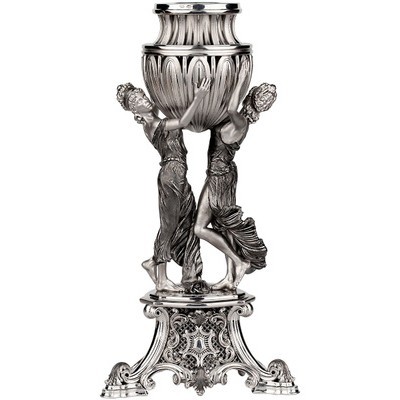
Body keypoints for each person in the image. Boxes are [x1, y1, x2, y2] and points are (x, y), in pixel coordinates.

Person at [117, 78, 211, 291]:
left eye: (141, 95)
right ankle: (160, 276)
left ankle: (189, 273)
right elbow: (183, 122)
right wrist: (198, 97)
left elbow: (163, 102)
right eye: (136, 100)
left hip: (179, 175)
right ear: (135, 111)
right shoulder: (152, 125)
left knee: (189, 219)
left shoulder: (159, 117)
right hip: (171, 176)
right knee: (168, 225)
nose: (143, 99)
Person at [194, 60, 277, 290]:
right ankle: (229, 277)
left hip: (220, 178)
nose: (263, 102)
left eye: (266, 102)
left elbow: (231, 108)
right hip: (218, 175)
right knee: (222, 226)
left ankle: (239, 262)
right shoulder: (234, 120)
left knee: (199, 228)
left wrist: (240, 79)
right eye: (262, 98)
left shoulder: (240, 122)